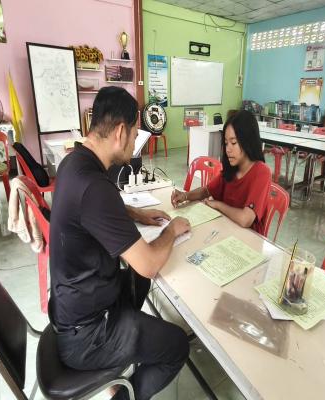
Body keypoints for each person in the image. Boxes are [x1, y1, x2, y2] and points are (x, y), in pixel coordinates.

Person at [49, 86, 191, 400]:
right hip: (87, 334)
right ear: (120, 131)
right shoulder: (94, 186)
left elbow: (90, 208)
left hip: (73, 306)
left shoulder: (75, 163)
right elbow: (149, 264)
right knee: (177, 345)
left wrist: (134, 213)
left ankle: (128, 345)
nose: (136, 141)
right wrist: (172, 230)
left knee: (138, 280)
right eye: (136, 134)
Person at [172, 110, 272, 233]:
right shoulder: (231, 169)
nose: (228, 149)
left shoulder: (261, 172)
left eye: (233, 143)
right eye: (226, 143)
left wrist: (218, 205)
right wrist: (185, 196)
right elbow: (206, 190)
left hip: (249, 238)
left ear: (248, 141)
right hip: (226, 230)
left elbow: (245, 219)